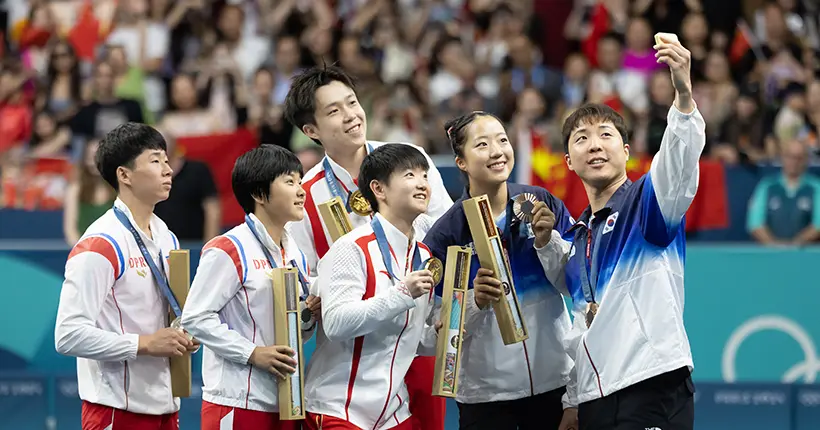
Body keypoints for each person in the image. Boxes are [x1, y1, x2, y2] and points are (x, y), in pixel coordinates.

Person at [283, 64, 451, 429]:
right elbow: (305, 288)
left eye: (352, 102)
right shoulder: (304, 198)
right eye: (333, 111)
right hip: (352, 361)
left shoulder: (411, 162)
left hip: (416, 343)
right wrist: (316, 299)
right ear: (311, 130)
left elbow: (447, 241)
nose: (350, 116)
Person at [557, 36, 705, 430]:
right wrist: (573, 400)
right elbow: (579, 327)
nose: (595, 146)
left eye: (605, 135)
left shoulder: (648, 202)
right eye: (582, 139)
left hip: (650, 382)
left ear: (626, 150)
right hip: (596, 397)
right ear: (569, 161)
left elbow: (678, 163)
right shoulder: (576, 240)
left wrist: (684, 97)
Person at [423, 111, 577, 430]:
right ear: (461, 162)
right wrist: (473, 301)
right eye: (482, 144)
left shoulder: (540, 204)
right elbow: (433, 329)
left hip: (554, 382)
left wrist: (548, 243)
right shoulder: (447, 234)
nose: (497, 151)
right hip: (486, 397)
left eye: (502, 140)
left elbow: (575, 284)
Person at [54, 122, 198, 429]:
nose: (168, 170)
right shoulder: (101, 243)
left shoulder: (167, 237)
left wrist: (182, 334)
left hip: (166, 404)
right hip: (115, 409)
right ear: (124, 175)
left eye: (167, 160)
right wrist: (144, 344)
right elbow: (67, 335)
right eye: (156, 160)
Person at [180, 145, 321, 429]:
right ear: (259, 194)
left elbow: (295, 331)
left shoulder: (295, 252)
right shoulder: (228, 248)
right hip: (237, 402)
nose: (301, 190)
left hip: (286, 400)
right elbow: (195, 318)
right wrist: (252, 353)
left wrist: (308, 316)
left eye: (301, 181)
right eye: (290, 181)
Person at [303, 144, 442, 430]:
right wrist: (402, 293)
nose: (422, 184)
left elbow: (411, 341)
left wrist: (444, 333)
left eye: (425, 175)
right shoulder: (350, 248)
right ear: (379, 189)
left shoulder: (424, 257)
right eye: (409, 175)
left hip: (392, 411)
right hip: (338, 408)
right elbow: (336, 323)